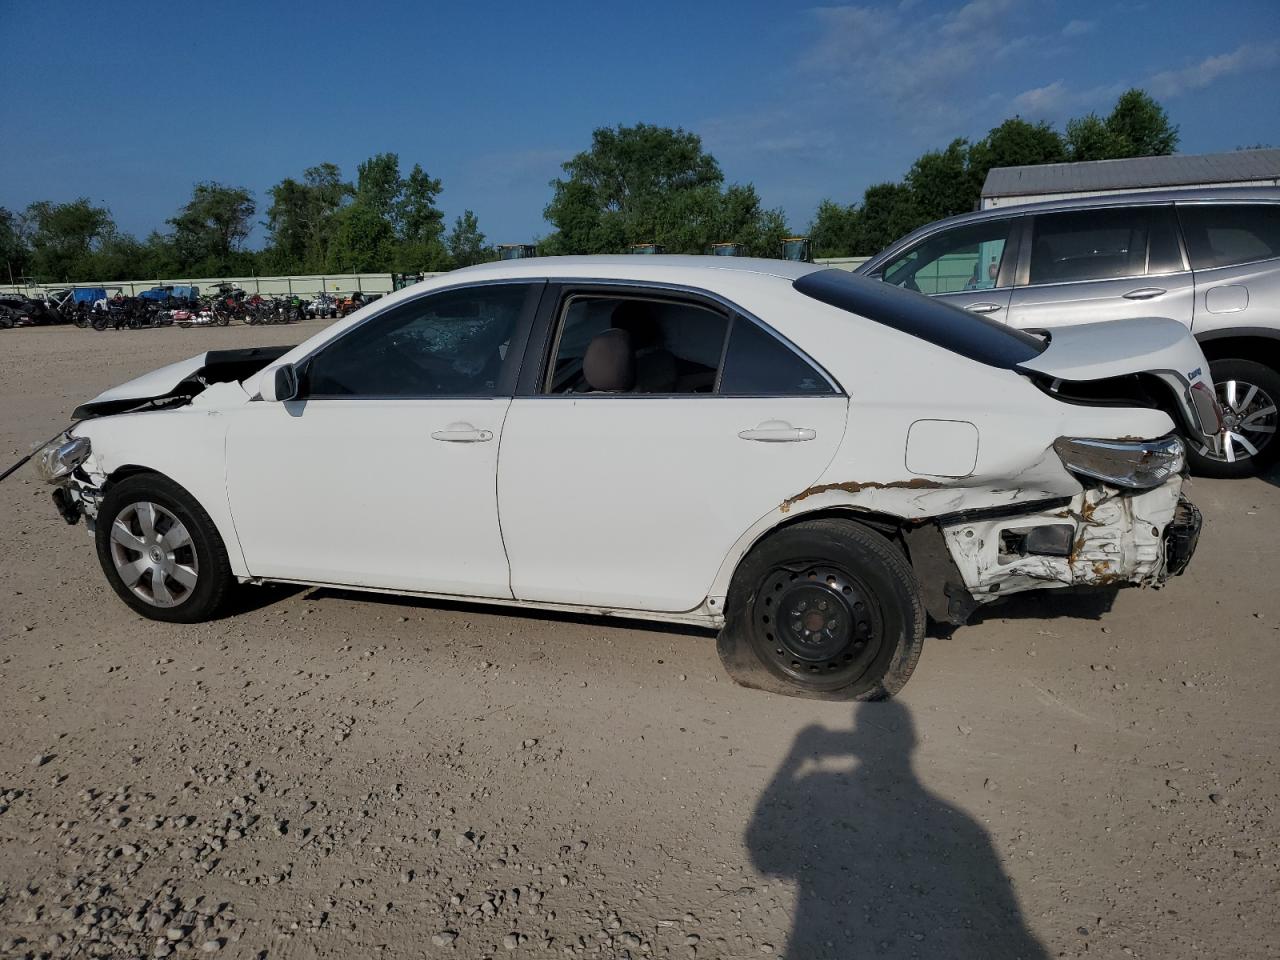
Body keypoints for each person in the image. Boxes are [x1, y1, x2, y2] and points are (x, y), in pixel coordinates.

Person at [746, 702, 1049, 959]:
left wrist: (794, 757)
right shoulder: (966, 827)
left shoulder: (817, 784)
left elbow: (765, 859)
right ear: (913, 742)